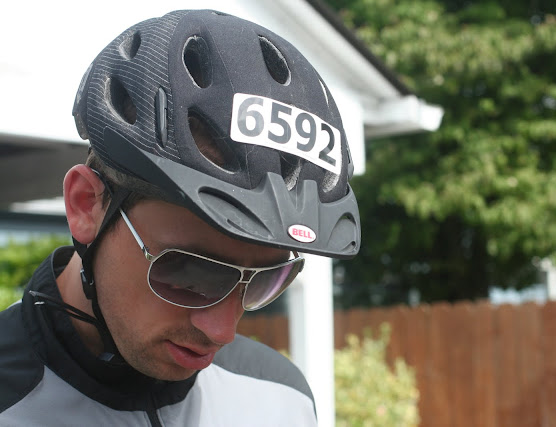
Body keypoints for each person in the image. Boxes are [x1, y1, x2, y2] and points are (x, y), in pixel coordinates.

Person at [0, 9, 360, 426]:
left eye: (268, 280)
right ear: (87, 205)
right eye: (190, 275)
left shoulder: (283, 399)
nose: (222, 330)